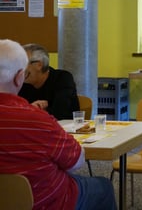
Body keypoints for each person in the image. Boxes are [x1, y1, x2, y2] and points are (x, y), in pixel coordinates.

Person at [0, 39, 117, 210]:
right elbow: (76, 161)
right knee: (103, 186)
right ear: (19, 78)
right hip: (45, 202)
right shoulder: (37, 120)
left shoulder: (60, 80)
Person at [18, 43, 80, 120]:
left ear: (39, 65)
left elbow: (60, 113)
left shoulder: (62, 78)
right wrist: (31, 108)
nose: (19, 68)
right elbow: (14, 112)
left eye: (23, 63)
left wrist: (31, 110)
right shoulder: (22, 83)